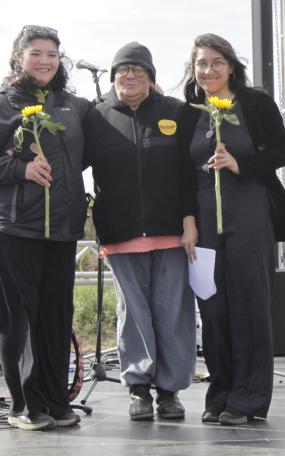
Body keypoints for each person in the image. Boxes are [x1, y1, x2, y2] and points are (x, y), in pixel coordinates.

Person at [0, 25, 90, 431]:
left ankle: (54, 401)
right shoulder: (2, 101)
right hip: (15, 227)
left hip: (62, 229)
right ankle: (23, 406)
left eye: (52, 54)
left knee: (55, 316)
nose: (45, 61)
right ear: (19, 57)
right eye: (36, 53)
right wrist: (21, 169)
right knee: (20, 318)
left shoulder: (71, 105)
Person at [181, 33, 285, 426]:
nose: (208, 70)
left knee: (249, 306)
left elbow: (283, 150)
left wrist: (240, 164)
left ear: (230, 66)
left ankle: (248, 400)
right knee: (213, 311)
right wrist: (188, 221)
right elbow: (179, 173)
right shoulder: (188, 111)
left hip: (249, 214)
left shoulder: (255, 103)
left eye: (216, 62)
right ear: (193, 70)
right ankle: (221, 394)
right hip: (204, 220)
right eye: (201, 64)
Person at [83, 41, 197, 421]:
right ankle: (138, 390)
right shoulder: (95, 117)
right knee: (133, 314)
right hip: (120, 233)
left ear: (151, 77)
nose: (129, 75)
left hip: (171, 233)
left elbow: (189, 172)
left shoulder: (177, 112)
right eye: (122, 70)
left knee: (173, 313)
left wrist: (189, 219)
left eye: (138, 69)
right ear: (113, 78)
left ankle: (169, 391)